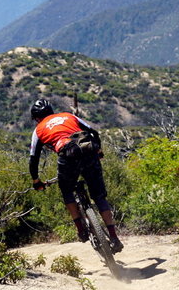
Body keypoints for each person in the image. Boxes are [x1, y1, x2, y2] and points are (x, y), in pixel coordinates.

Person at [28, 98, 124, 253]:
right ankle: (114, 237)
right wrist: (98, 151)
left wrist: (36, 180)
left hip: (68, 157)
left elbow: (34, 159)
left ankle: (81, 230)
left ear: (37, 118)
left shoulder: (38, 130)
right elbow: (93, 132)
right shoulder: (69, 116)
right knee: (99, 197)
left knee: (67, 190)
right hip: (88, 151)